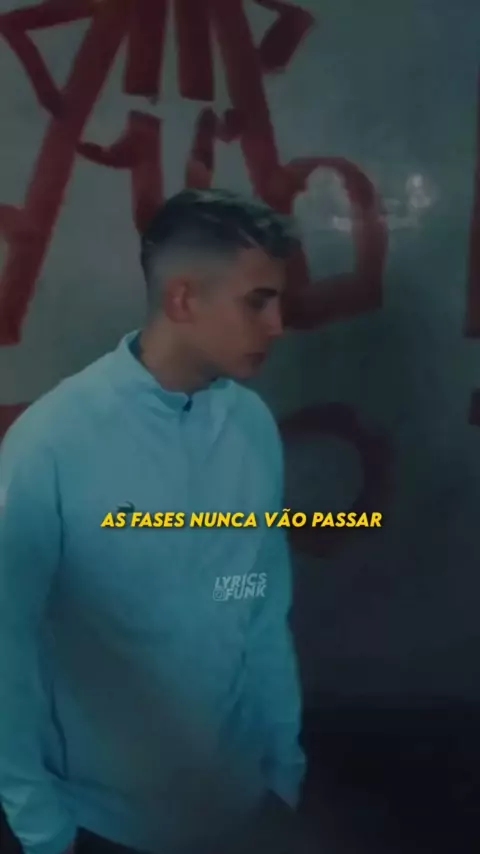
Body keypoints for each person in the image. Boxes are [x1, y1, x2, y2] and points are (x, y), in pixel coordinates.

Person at [0, 189, 306, 854]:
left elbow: (262, 609)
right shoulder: (51, 443)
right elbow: (6, 649)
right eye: (257, 302)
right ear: (183, 299)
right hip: (99, 827)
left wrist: (284, 769)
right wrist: (42, 831)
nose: (278, 325)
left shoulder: (252, 425)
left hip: (245, 811)